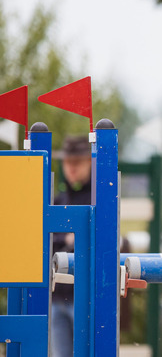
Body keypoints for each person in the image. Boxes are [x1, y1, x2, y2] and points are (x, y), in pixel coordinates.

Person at [50, 135, 93, 356]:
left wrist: (65, 240)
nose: (71, 167)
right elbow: (48, 241)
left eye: (77, 161)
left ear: (90, 162)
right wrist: (68, 240)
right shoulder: (58, 199)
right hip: (58, 298)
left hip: (85, 298)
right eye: (68, 161)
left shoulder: (99, 199)